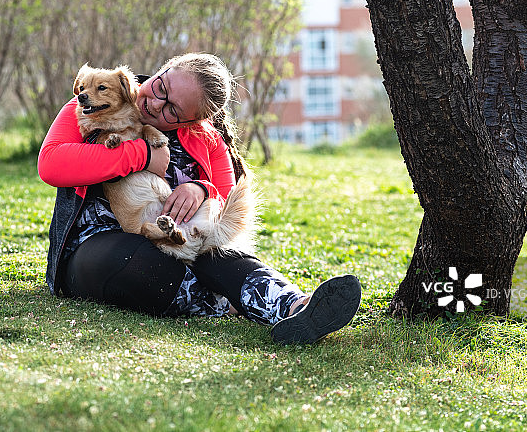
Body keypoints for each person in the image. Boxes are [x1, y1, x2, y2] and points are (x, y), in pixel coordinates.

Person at [37, 53, 361, 344]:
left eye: (172, 109)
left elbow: (226, 193)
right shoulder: (98, 103)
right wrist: (140, 155)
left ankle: (295, 306)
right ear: (162, 69)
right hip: (98, 246)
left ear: (193, 121)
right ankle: (229, 302)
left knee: (221, 257)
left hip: (183, 244)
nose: (155, 104)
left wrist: (202, 189)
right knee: (143, 263)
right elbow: (51, 164)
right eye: (160, 86)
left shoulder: (208, 139)